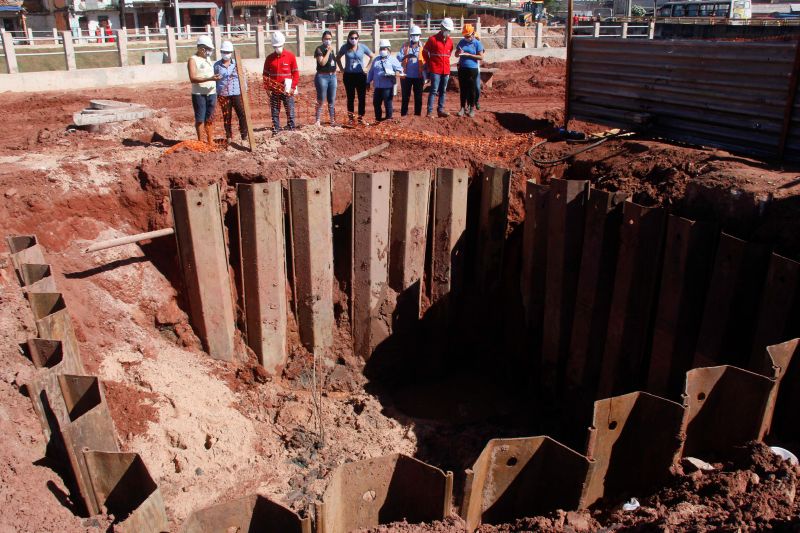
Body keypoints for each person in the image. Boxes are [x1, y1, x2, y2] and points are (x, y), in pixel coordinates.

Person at [262, 31, 299, 133]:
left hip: (287, 90)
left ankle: (291, 128)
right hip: (274, 90)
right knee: (274, 111)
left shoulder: (290, 56)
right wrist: (267, 88)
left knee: (290, 110)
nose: (277, 48)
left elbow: (295, 74)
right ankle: (276, 129)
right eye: (275, 46)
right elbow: (265, 75)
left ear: (283, 44)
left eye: (279, 46)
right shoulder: (269, 58)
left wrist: (293, 87)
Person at [187, 35, 220, 144]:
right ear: (202, 48)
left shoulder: (208, 59)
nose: (210, 52)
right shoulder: (193, 60)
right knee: (200, 119)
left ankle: (210, 141)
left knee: (209, 118)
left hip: (211, 93)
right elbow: (193, 78)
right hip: (199, 94)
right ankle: (201, 142)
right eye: (209, 49)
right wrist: (210, 78)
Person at [336, 30, 373, 124]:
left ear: (358, 38)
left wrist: (367, 68)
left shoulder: (362, 47)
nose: (354, 40)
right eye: (352, 38)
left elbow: (372, 56)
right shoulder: (345, 47)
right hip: (349, 76)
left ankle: (361, 118)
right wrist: (341, 69)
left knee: (361, 97)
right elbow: (338, 58)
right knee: (350, 97)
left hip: (361, 75)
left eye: (356, 38)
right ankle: (351, 118)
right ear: (348, 38)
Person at [214, 40, 247, 144]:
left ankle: (244, 135)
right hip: (223, 95)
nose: (226, 54)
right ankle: (228, 136)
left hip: (236, 93)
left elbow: (243, 77)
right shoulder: (216, 66)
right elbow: (214, 80)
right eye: (224, 51)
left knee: (241, 114)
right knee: (227, 116)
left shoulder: (237, 64)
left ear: (231, 53)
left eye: (228, 52)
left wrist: (245, 89)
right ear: (221, 52)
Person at [422, 17, 454, 118]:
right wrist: (430, 63)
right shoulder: (432, 39)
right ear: (442, 28)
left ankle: (440, 110)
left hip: (446, 70)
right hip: (435, 69)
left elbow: (449, 53)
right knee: (434, 90)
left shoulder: (450, 41)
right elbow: (424, 52)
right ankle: (430, 112)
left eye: (449, 30)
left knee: (443, 91)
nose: (448, 32)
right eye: (446, 29)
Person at [367, 39, 403, 122]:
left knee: (387, 103)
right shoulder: (376, 60)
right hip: (378, 86)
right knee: (376, 103)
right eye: (381, 49)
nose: (383, 50)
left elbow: (399, 69)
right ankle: (378, 119)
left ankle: (388, 118)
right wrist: (368, 82)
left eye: (385, 49)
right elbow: (371, 71)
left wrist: (396, 72)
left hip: (388, 86)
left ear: (388, 50)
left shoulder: (392, 59)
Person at [455, 23, 484, 118]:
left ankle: (472, 108)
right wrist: (459, 52)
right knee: (463, 89)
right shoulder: (462, 42)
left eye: (468, 36)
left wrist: (469, 55)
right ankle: (462, 107)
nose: (467, 37)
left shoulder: (477, 43)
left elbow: (481, 57)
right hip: (462, 68)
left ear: (472, 34)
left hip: (473, 69)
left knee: (472, 89)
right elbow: (456, 54)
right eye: (465, 36)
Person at [397, 25, 425, 116]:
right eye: (413, 35)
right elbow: (399, 57)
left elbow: (426, 60)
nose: (415, 37)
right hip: (406, 76)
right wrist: (405, 56)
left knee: (418, 97)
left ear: (420, 35)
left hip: (418, 76)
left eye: (417, 35)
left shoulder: (423, 46)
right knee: (405, 97)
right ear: (410, 35)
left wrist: (427, 75)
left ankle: (417, 115)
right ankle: (403, 115)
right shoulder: (405, 46)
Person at [314, 30, 337, 126]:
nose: (328, 41)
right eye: (326, 39)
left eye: (330, 39)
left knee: (331, 99)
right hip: (322, 77)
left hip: (332, 76)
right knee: (321, 99)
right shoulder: (319, 49)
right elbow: (322, 62)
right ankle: (318, 120)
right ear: (322, 39)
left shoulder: (332, 50)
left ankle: (332, 120)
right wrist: (328, 52)